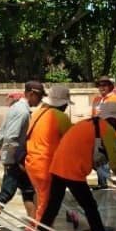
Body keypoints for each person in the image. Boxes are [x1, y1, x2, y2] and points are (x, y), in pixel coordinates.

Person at [30, 101, 116, 231]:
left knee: (52, 208)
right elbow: (114, 161)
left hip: (57, 166)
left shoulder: (87, 123)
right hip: (72, 171)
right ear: (113, 119)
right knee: (90, 207)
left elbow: (81, 147)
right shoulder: (106, 129)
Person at [0, 83, 41, 231]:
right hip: (15, 160)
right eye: (39, 96)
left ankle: (33, 226)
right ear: (31, 93)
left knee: (29, 191)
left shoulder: (15, 109)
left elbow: (2, 134)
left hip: (15, 159)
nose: (40, 100)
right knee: (6, 194)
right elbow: (11, 137)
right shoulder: (22, 112)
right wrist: (16, 160)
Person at [25, 85, 71, 221]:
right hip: (46, 165)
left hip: (32, 163)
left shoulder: (37, 113)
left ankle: (34, 228)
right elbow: (71, 142)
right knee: (46, 204)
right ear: (63, 104)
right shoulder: (61, 117)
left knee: (39, 197)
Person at [91, 76, 116, 189]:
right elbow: (93, 115)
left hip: (111, 132)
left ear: (110, 86)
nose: (102, 87)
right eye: (100, 85)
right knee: (100, 158)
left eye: (104, 85)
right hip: (97, 133)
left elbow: (115, 117)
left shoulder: (114, 99)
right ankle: (103, 182)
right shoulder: (96, 100)